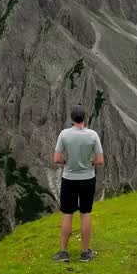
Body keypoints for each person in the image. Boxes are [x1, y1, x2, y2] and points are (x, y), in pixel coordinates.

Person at [52, 104, 104, 262]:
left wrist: (68, 161)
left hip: (69, 179)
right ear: (85, 118)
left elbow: (56, 159)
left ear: (72, 119)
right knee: (85, 214)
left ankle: (63, 253)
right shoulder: (93, 135)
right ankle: (85, 253)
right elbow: (100, 161)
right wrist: (89, 163)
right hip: (88, 178)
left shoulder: (64, 134)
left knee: (67, 214)